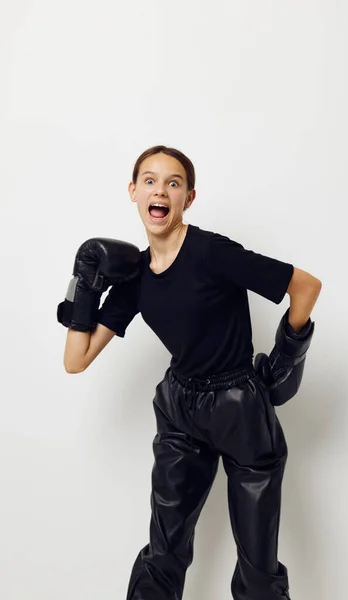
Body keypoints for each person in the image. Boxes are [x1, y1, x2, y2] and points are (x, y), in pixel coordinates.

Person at [62, 145, 321, 600]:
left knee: (258, 568)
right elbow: (76, 359)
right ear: (133, 191)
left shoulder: (211, 252)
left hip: (239, 410)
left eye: (173, 182)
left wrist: (285, 359)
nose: (160, 189)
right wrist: (83, 285)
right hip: (180, 409)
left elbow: (305, 287)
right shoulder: (135, 274)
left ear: (188, 198)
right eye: (149, 180)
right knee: (163, 554)